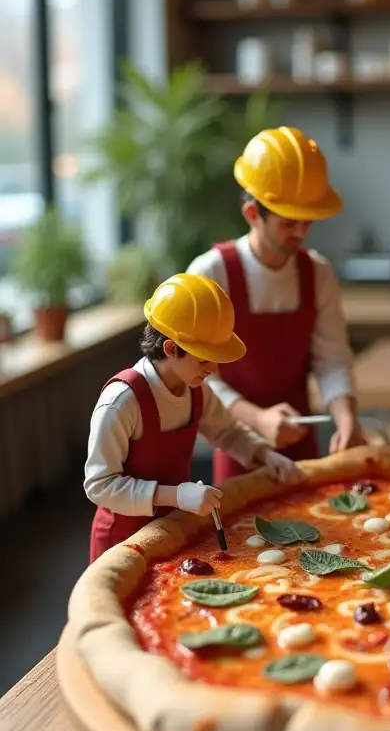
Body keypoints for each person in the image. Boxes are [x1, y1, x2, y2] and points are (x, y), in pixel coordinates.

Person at [187, 126, 364, 483]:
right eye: (288, 223)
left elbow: (332, 358)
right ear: (253, 213)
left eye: (307, 221)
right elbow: (196, 377)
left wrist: (348, 422)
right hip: (238, 441)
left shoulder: (318, 272)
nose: (301, 233)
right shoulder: (211, 273)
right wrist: (257, 419)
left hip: (302, 440)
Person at [85, 273, 302, 563]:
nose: (212, 368)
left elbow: (228, 433)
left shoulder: (197, 389)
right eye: (203, 358)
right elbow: (99, 486)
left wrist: (265, 456)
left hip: (174, 529)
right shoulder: (121, 403)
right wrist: (175, 495)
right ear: (171, 348)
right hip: (121, 543)